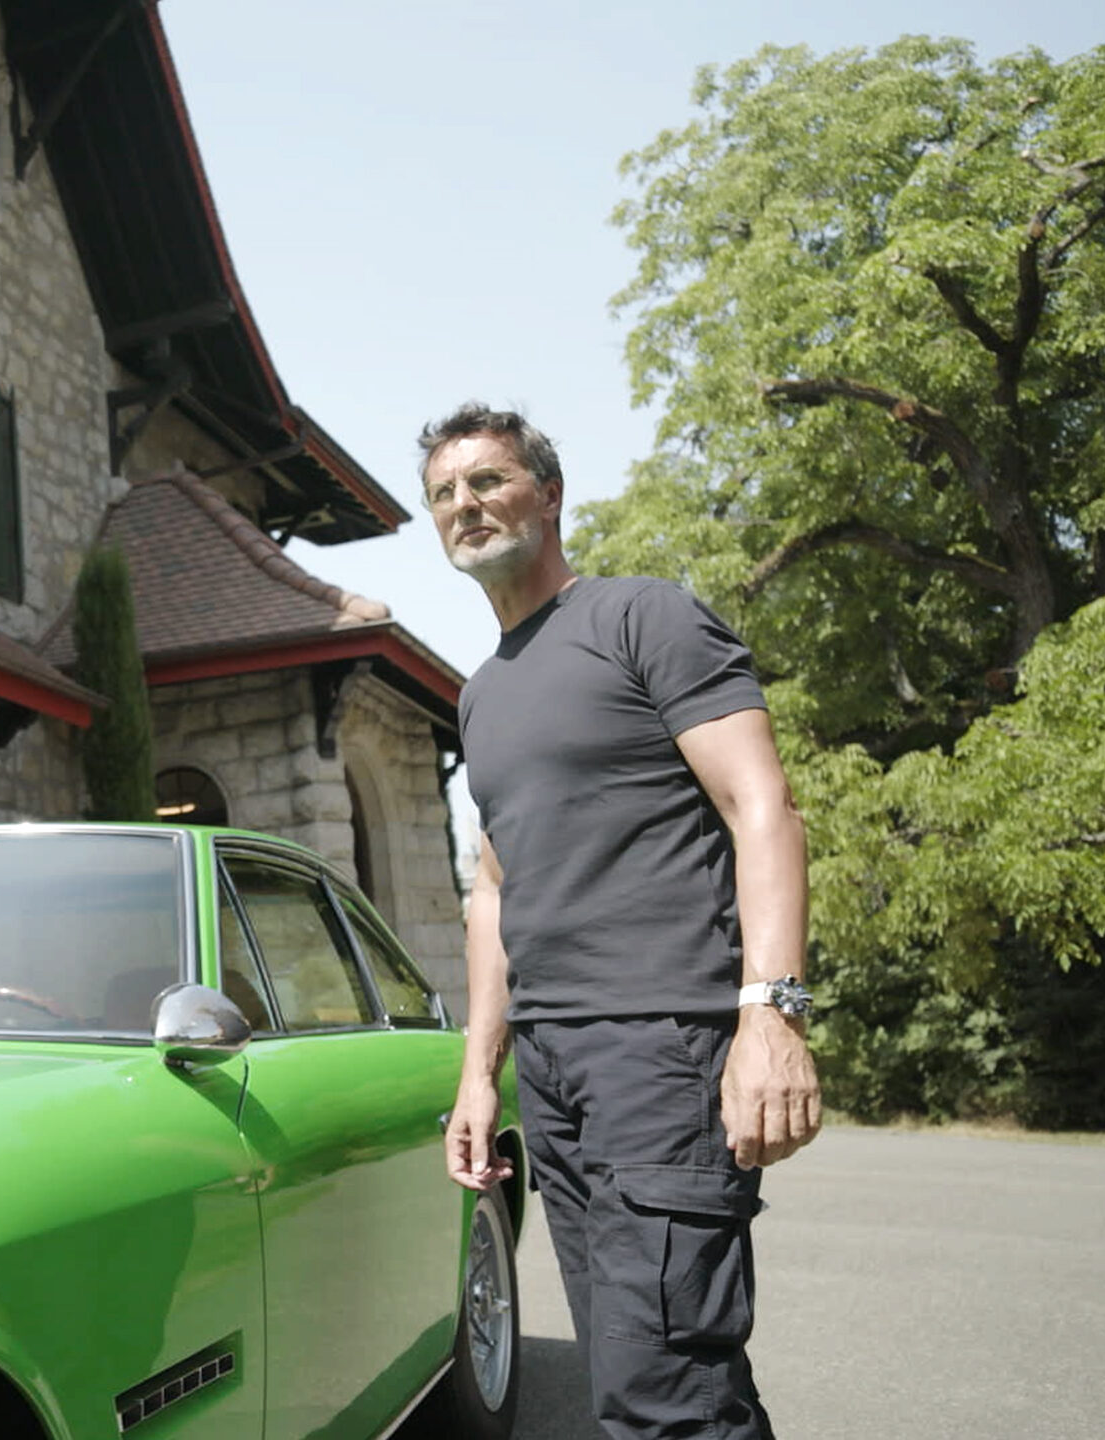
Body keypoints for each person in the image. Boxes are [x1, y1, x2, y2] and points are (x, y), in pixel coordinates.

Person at [424, 403, 821, 1439]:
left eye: (486, 481)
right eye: (444, 494)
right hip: (553, 1071)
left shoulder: (642, 618)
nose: (464, 504)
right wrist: (479, 1074)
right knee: (635, 1377)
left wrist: (771, 1017)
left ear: (547, 494)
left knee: (664, 1394)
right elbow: (495, 890)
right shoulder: (479, 697)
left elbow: (762, 809)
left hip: (662, 1045)